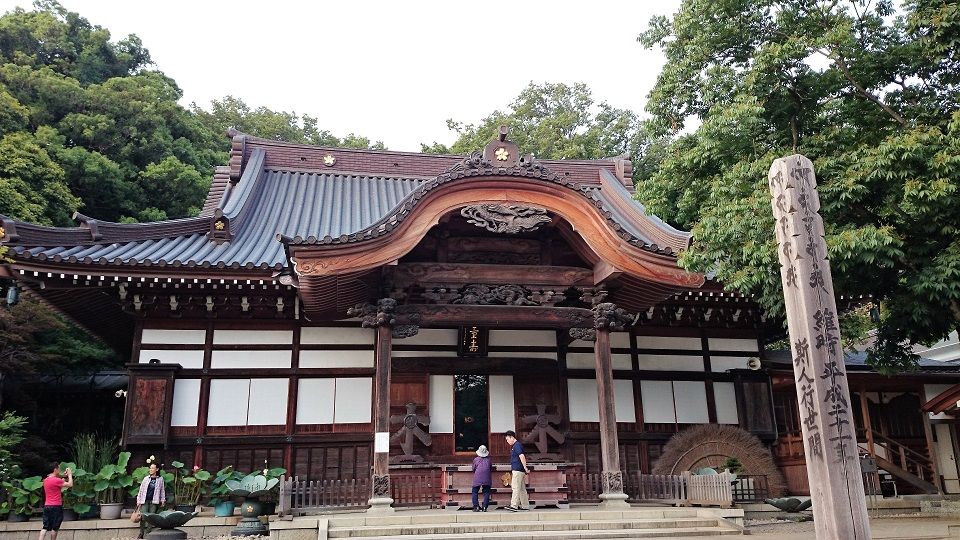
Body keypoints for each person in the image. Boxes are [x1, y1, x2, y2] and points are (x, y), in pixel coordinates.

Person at [39, 462, 72, 540]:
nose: (59, 470)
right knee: (55, 527)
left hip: (47, 506)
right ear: (55, 469)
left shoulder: (45, 480)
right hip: (56, 506)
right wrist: (70, 475)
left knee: (45, 527)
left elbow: (57, 484)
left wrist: (64, 477)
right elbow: (70, 484)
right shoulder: (57, 480)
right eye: (58, 468)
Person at [135, 463, 166, 539]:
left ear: (157, 469)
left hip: (154, 501)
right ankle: (141, 533)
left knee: (151, 518)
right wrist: (138, 500)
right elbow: (141, 490)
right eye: (150, 468)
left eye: (152, 468)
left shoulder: (160, 479)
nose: (151, 470)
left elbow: (162, 491)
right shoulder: (146, 478)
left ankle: (148, 533)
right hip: (144, 501)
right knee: (143, 517)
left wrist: (162, 500)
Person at [503, 431, 529, 511]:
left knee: (515, 487)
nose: (507, 441)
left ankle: (514, 505)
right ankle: (525, 506)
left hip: (517, 470)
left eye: (507, 439)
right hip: (519, 470)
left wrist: (525, 467)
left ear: (511, 437)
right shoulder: (517, 445)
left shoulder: (517, 445)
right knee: (521, 489)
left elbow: (522, 456)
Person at [471, 445, 492, 512]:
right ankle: (485, 507)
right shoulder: (489, 460)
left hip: (477, 477)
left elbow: (473, 469)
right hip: (487, 478)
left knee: (475, 491)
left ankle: (476, 507)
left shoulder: (476, 459)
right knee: (486, 492)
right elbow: (490, 468)